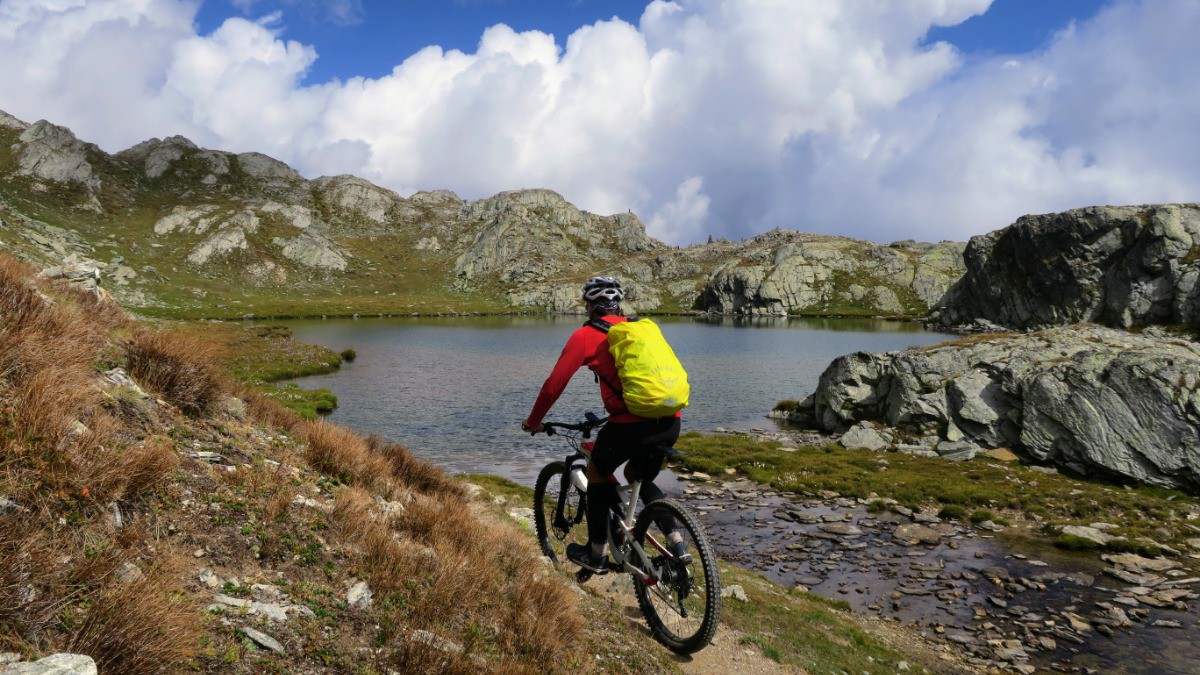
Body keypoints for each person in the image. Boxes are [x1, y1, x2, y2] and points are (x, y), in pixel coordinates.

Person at [522, 276, 689, 574]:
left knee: (598, 470)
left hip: (630, 425)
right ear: (618, 305)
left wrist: (534, 421)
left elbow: (553, 386)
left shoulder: (585, 335)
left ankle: (596, 554)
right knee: (635, 474)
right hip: (670, 420)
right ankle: (677, 541)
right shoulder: (641, 329)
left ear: (590, 305)